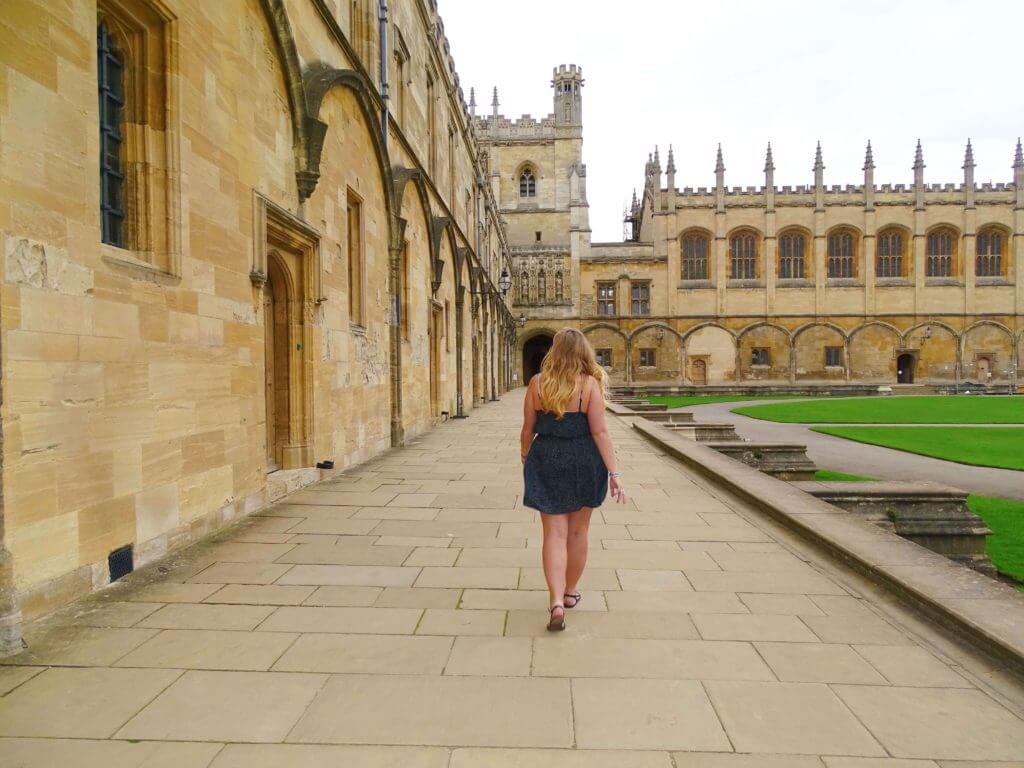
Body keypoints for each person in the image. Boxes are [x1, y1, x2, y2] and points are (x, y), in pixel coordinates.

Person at [520, 328, 626, 631]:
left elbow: (527, 429)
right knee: (578, 533)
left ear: (555, 351)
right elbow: (600, 432)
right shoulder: (589, 384)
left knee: (553, 534)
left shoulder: (537, 384)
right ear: (583, 353)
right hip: (584, 459)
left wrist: (527, 458)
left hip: (546, 457)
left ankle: (554, 600)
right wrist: (615, 473)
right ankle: (568, 593)